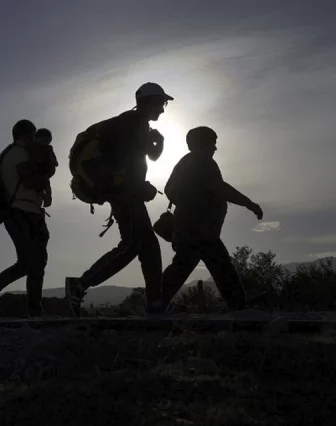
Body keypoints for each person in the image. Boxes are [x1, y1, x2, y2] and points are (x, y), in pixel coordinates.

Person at [66, 83, 173, 316]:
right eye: (160, 104)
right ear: (146, 103)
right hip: (125, 195)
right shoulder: (130, 126)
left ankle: (156, 303)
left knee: (148, 247)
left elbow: (150, 157)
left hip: (127, 194)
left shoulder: (137, 125)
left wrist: (160, 143)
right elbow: (125, 165)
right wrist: (140, 187)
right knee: (133, 245)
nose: (162, 109)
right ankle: (80, 284)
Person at [159, 126, 263, 312]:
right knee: (221, 267)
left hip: (187, 228)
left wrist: (185, 204)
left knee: (183, 266)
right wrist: (248, 203)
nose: (215, 148)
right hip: (201, 230)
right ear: (202, 144)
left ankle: (156, 302)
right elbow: (219, 187)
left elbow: (168, 190)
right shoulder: (204, 163)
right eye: (212, 144)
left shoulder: (183, 163)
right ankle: (239, 308)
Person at [0, 119, 55, 319]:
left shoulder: (23, 153)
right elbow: (29, 178)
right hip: (18, 212)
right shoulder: (16, 153)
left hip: (33, 212)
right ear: (26, 135)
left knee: (38, 262)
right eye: (33, 135)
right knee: (28, 262)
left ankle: (35, 310)